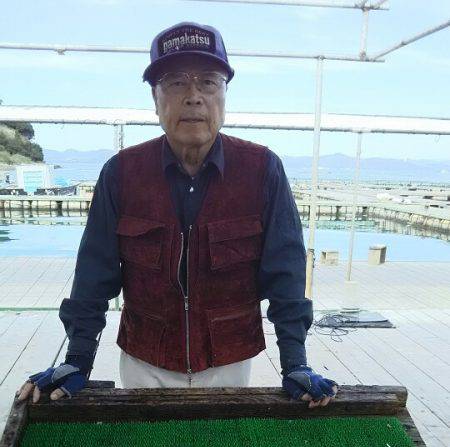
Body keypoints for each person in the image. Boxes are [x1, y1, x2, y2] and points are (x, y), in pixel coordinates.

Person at [18, 21, 338, 409]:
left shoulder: (262, 169)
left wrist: (295, 362)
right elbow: (93, 275)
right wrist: (77, 358)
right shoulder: (120, 173)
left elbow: (285, 274)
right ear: (155, 99)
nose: (193, 97)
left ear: (224, 95)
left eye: (208, 82)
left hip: (231, 362)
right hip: (143, 362)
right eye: (175, 83)